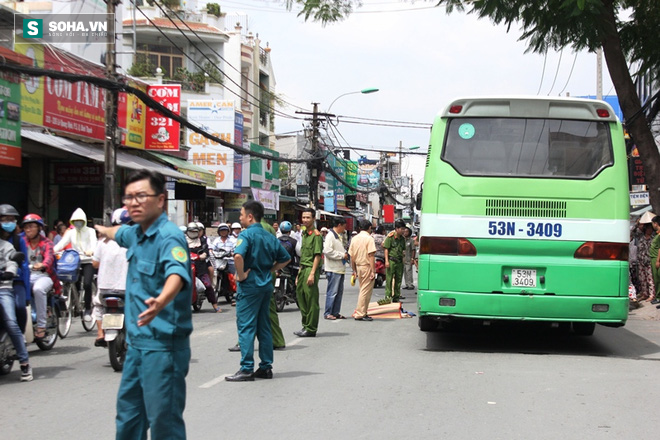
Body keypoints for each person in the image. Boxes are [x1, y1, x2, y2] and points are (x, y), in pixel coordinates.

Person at [94, 170, 193, 439]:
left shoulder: (169, 237)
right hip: (136, 346)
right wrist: (104, 230)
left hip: (163, 347)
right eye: (128, 197)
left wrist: (161, 300)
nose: (133, 202)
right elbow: (119, 232)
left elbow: (176, 273)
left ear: (161, 200)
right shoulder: (136, 233)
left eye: (141, 196)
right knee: (128, 419)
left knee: (164, 424)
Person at [225, 201, 290, 382]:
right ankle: (265, 367)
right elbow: (286, 258)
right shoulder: (269, 236)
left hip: (250, 286)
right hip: (265, 285)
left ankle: (246, 368)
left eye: (241, 214)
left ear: (250, 216)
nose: (240, 218)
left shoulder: (246, 235)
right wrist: (270, 269)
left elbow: (238, 255)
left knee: (246, 327)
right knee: (264, 327)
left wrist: (241, 275)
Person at [0, 205, 33, 381]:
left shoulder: (10, 244)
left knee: (12, 321)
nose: (8, 223)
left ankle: (24, 362)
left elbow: (16, 262)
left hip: (7, 284)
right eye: (4, 219)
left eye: (11, 220)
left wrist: (10, 272)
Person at [91, 208, 130, 347]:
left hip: (104, 288)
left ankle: (100, 333)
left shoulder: (103, 241)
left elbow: (95, 263)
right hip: (127, 288)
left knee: (98, 305)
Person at [21, 214, 61, 340]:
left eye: (31, 227)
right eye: (26, 227)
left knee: (38, 289)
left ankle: (41, 325)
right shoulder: (21, 242)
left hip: (43, 276)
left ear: (39, 228)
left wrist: (43, 264)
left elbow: (49, 258)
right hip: (24, 275)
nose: (28, 230)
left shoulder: (47, 243)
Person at [54, 208, 98, 321]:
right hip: (75, 261)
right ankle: (74, 303)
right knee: (70, 281)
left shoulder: (90, 231)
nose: (78, 223)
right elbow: (62, 244)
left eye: (80, 220)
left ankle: (88, 309)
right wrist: (52, 251)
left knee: (87, 284)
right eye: (76, 220)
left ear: (84, 221)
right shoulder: (71, 232)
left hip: (87, 260)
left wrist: (91, 251)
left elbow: (94, 244)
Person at [294, 207, 323, 337]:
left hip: (311, 269)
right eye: (303, 217)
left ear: (313, 219)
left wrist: (312, 273)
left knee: (311, 299)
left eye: (308, 217)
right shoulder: (304, 234)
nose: (305, 220)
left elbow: (317, 256)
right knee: (301, 298)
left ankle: (311, 328)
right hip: (303, 269)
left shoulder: (316, 235)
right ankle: (305, 325)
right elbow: (303, 256)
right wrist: (299, 273)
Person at [185, 222, 221, 312]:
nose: (193, 233)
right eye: (191, 231)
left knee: (208, 285)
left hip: (200, 267)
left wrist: (203, 255)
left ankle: (215, 304)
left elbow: (206, 251)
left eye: (195, 231)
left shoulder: (202, 241)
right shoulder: (183, 241)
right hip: (186, 266)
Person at [349, 219, 376, 321]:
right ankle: (361, 313)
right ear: (369, 228)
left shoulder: (354, 239)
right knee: (365, 291)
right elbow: (371, 255)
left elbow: (351, 256)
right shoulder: (369, 239)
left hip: (358, 266)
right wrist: (373, 271)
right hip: (367, 266)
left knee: (363, 289)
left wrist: (354, 269)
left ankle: (363, 311)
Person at [323, 218, 348, 320]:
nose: (344, 229)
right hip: (333, 269)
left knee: (339, 292)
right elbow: (327, 251)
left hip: (339, 268)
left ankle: (335, 312)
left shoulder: (339, 236)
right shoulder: (330, 236)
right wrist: (341, 255)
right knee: (332, 292)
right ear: (339, 225)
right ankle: (328, 312)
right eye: (343, 226)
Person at [212, 223, 237, 305]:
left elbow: (235, 248)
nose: (223, 232)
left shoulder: (233, 240)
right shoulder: (216, 240)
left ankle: (235, 294)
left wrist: (232, 253)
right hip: (219, 261)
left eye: (225, 230)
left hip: (230, 261)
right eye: (221, 231)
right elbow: (212, 249)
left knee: (234, 276)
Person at [383, 219, 407, 302]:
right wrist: (386, 261)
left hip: (399, 262)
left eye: (404, 229)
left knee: (398, 280)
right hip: (391, 261)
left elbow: (403, 250)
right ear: (397, 229)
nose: (403, 231)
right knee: (389, 280)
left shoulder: (402, 239)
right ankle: (388, 297)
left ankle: (396, 297)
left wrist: (403, 260)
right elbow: (386, 249)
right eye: (402, 229)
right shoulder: (390, 237)